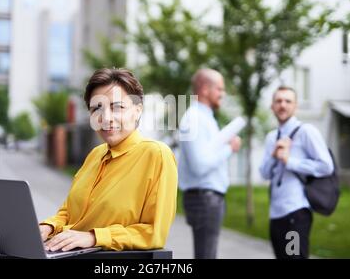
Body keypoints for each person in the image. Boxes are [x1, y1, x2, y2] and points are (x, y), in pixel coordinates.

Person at [39, 68, 178, 252]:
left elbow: (153, 232)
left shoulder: (156, 154)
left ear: (137, 111)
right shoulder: (95, 155)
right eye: (97, 108)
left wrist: (93, 237)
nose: (106, 118)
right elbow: (68, 213)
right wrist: (48, 227)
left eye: (117, 107)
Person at [259, 86, 334, 259]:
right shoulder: (272, 137)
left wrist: (289, 161)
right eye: (278, 101)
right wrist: (274, 156)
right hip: (276, 214)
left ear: (296, 106)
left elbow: (326, 166)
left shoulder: (306, 132)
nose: (282, 105)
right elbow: (264, 174)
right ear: (272, 106)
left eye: (288, 101)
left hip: (296, 213)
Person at [177, 68, 241, 259]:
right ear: (205, 89)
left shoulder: (204, 117)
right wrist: (230, 149)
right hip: (204, 199)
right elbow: (200, 166)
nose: (223, 94)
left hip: (207, 198)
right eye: (220, 89)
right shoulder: (194, 119)